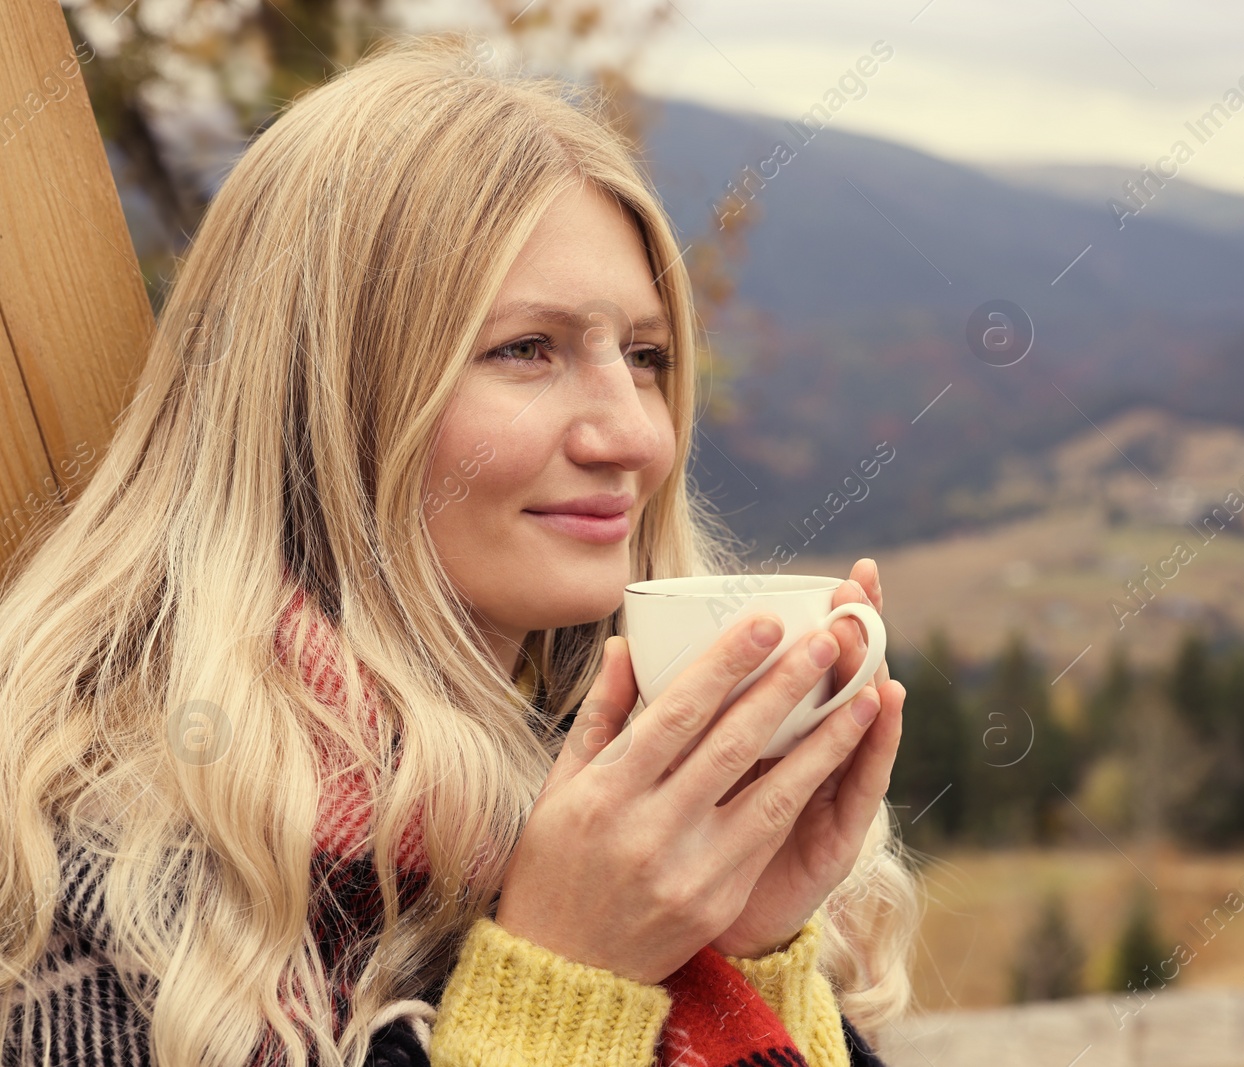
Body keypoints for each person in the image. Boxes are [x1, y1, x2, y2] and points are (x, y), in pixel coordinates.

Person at [0, 33, 918, 1067]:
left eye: (648, 357)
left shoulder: (637, 798)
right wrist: (560, 983)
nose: (633, 435)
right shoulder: (84, 870)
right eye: (528, 349)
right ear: (326, 396)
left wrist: (739, 953)